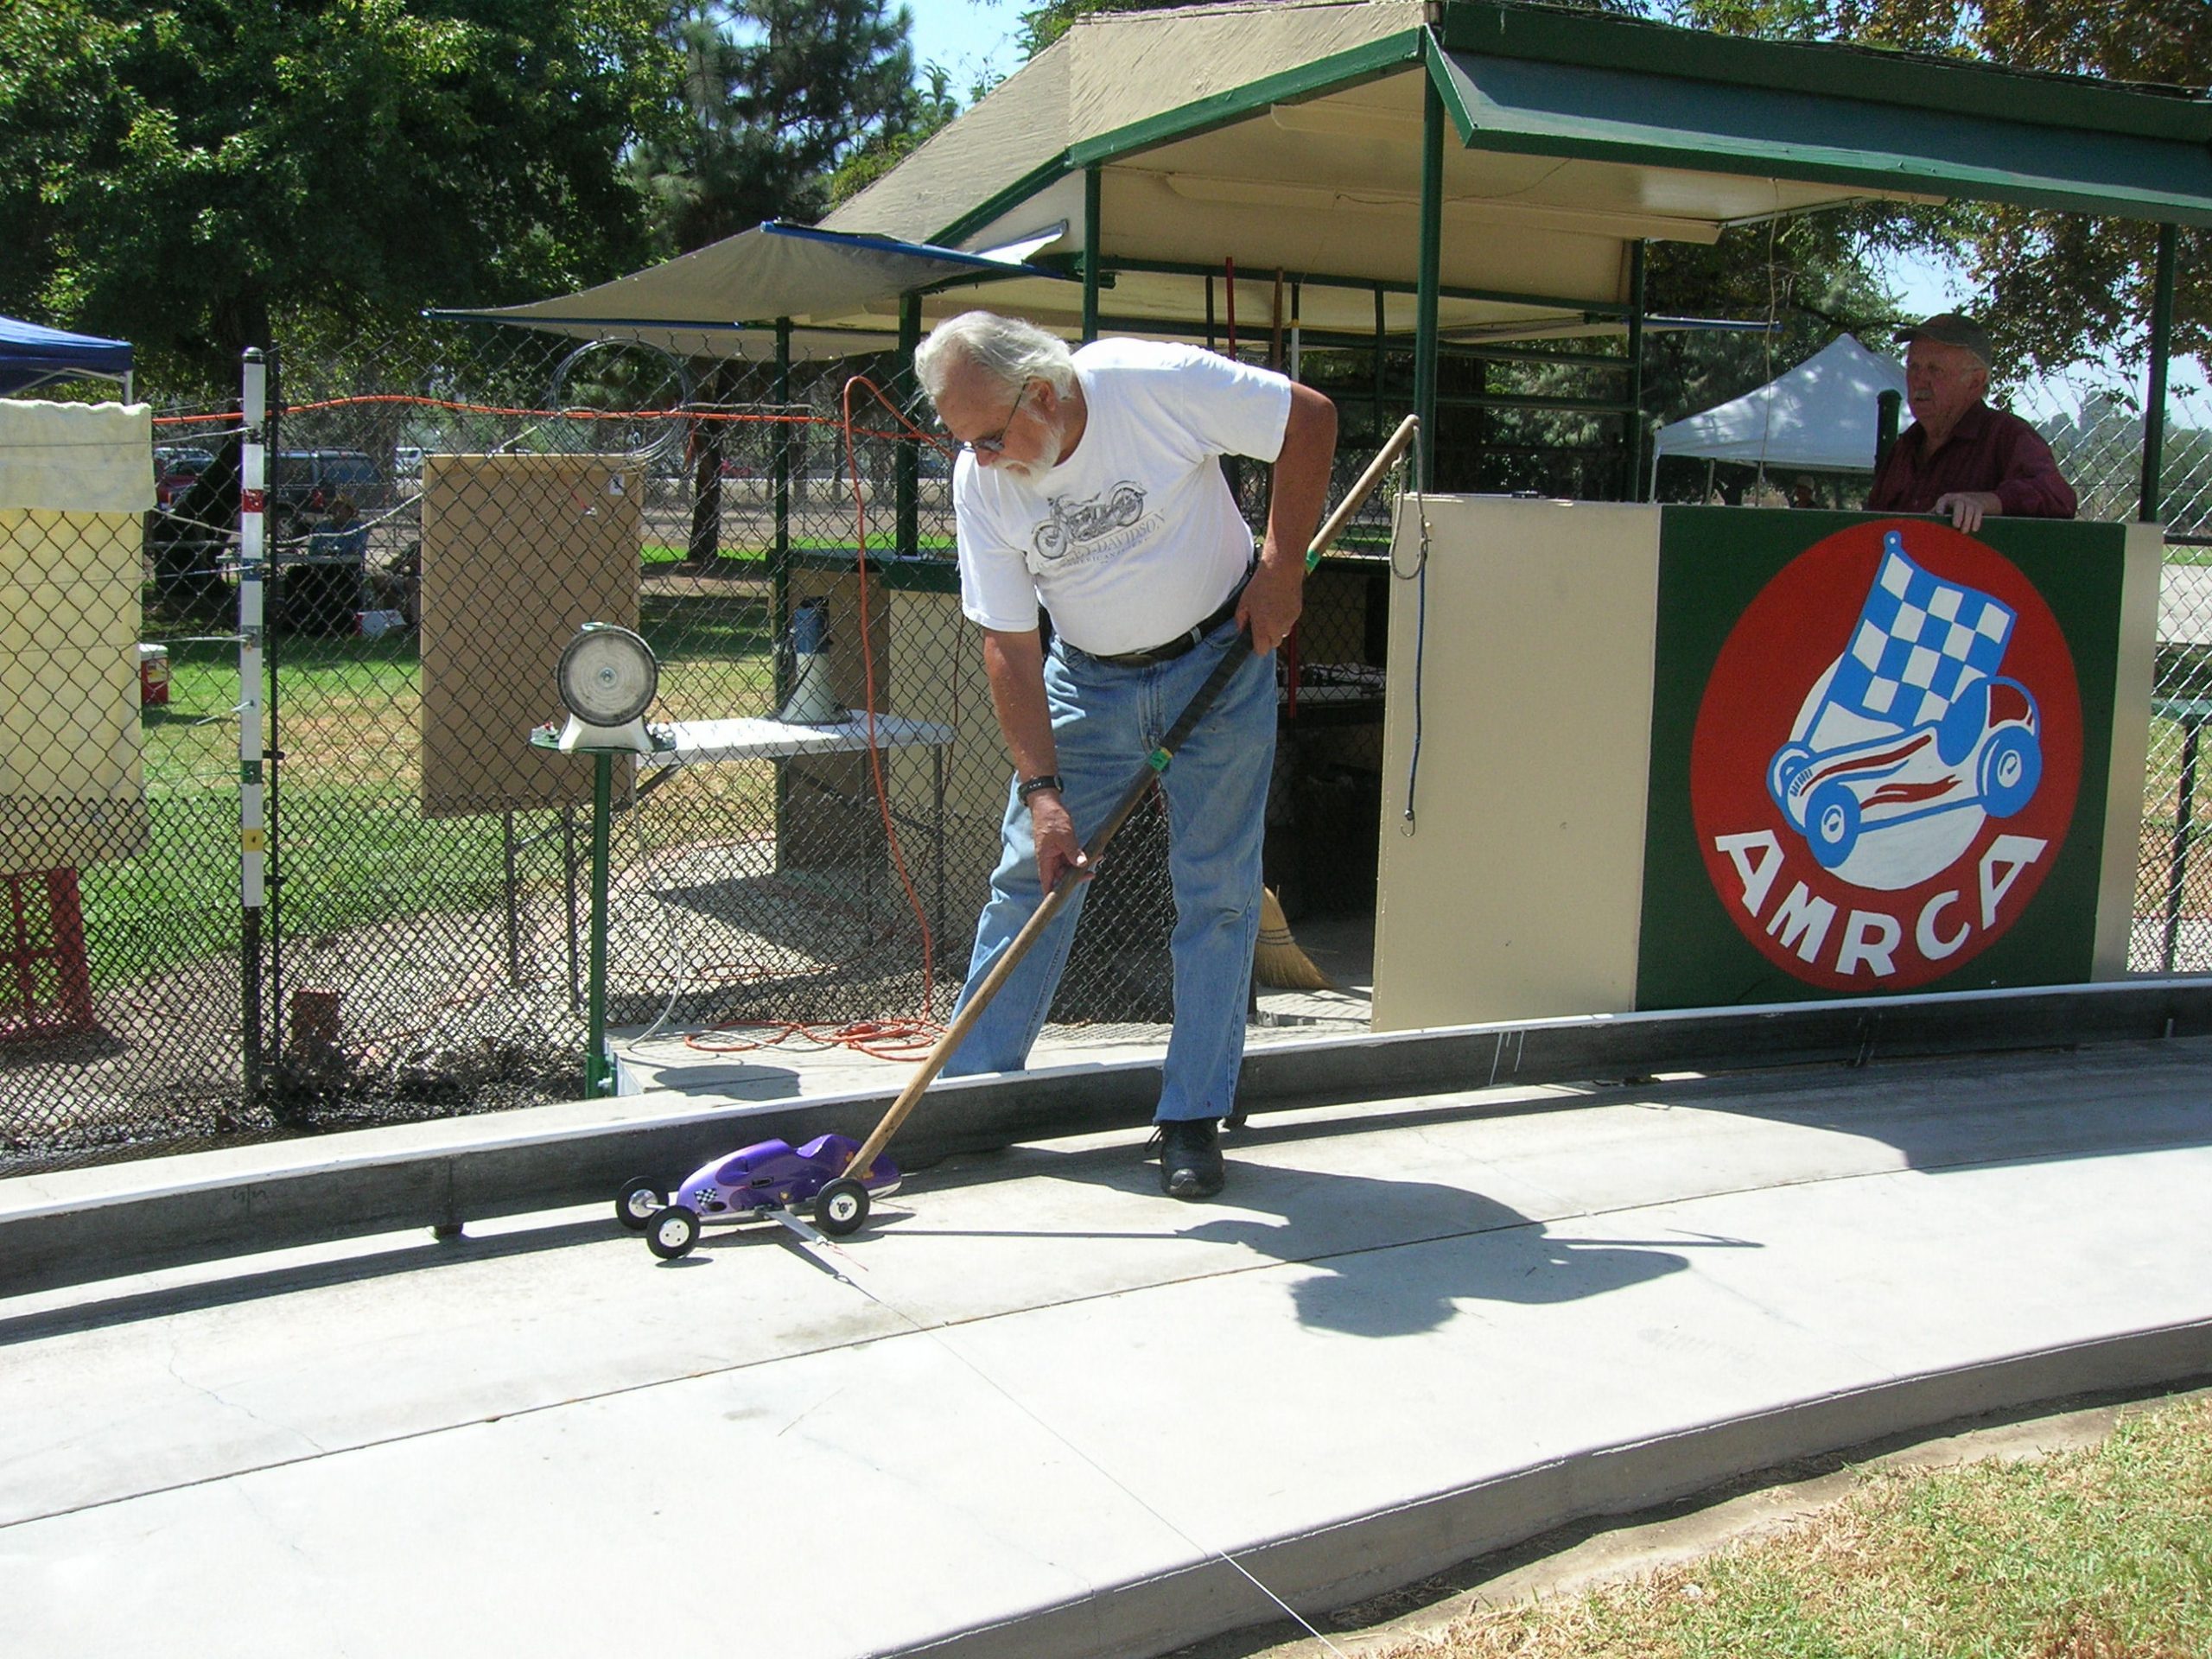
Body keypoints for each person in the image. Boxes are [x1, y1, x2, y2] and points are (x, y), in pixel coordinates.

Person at [912, 310, 1338, 1199]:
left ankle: (1191, 1115)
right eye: (964, 443)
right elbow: (1008, 642)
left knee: (1217, 888)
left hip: (1221, 661)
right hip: (1084, 684)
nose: (981, 460)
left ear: (1044, 390)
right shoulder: (980, 479)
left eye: (990, 437)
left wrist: (1283, 566)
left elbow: (1308, 419)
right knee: (1034, 876)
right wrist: (1043, 792)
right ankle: (966, 1103)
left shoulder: (1148, 383)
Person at [1867, 313, 2076, 532]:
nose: (1919, 380)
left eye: (1934, 369)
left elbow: (2057, 497)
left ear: (1975, 382)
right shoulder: (1905, 448)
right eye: (1913, 367)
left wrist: (1986, 502)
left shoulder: (2005, 436)